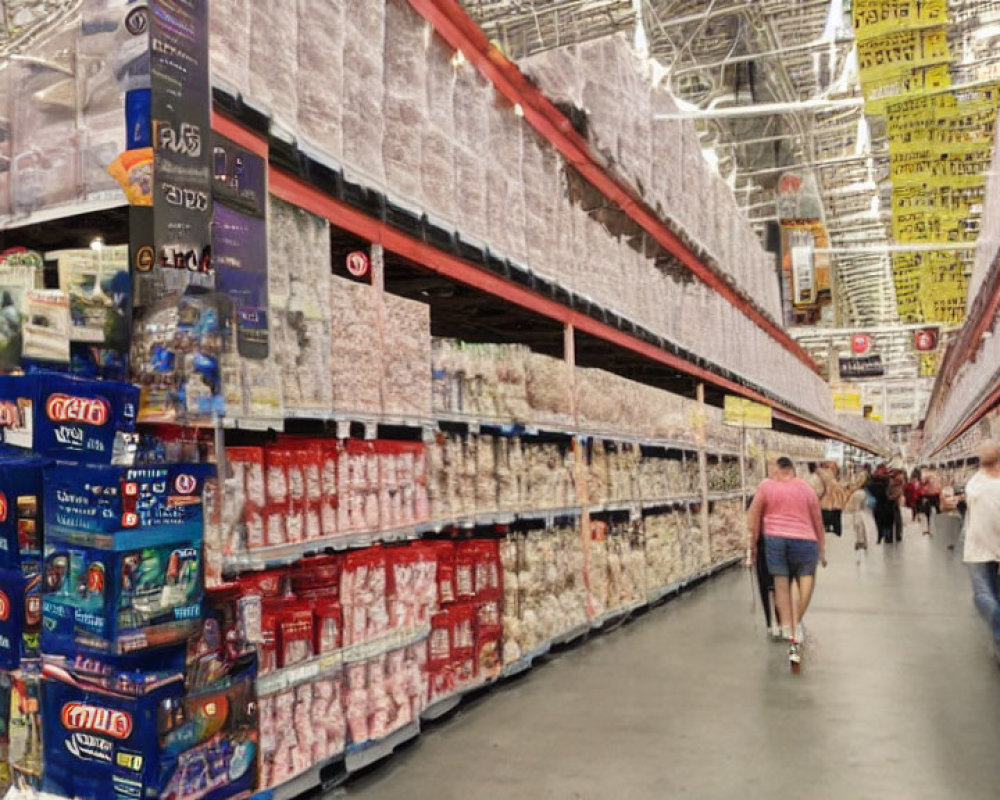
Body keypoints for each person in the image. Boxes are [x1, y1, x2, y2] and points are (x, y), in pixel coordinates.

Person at [748, 456, 827, 665]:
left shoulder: (766, 487)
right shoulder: (807, 489)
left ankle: (786, 627)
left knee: (780, 582)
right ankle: (797, 620)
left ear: (778, 470)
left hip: (774, 538)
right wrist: (822, 545)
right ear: (793, 470)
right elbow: (817, 519)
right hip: (805, 538)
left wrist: (753, 543)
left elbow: (753, 516)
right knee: (806, 578)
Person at [962, 441, 1000, 663]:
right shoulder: (992, 488)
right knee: (989, 596)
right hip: (990, 550)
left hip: (976, 550)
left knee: (983, 595)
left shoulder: (974, 483)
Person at [817, 461, 846, 537]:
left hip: (826, 506)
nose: (835, 469)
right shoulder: (830, 478)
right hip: (832, 507)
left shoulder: (821, 476)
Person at [868, 467, 895, 545]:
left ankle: (881, 538)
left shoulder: (872, 484)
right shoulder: (887, 483)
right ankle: (884, 539)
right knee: (884, 527)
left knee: (881, 526)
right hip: (884, 509)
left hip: (880, 509)